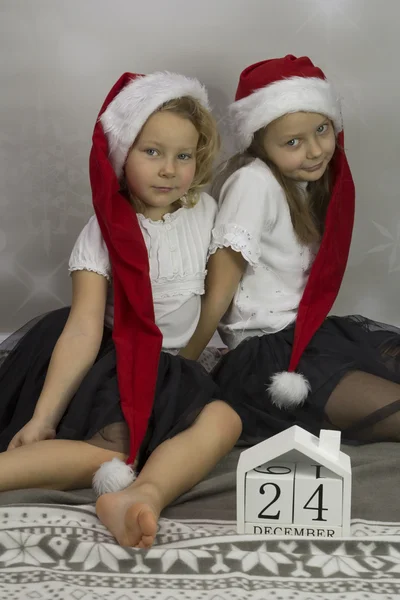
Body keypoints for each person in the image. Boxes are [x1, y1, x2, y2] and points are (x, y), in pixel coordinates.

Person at [0, 71, 242, 547]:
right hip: (109, 357)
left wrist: (186, 365)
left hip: (171, 361)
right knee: (115, 448)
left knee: (225, 421)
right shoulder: (102, 230)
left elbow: (217, 296)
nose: (169, 169)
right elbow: (82, 329)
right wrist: (43, 417)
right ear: (121, 154)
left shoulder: (206, 214)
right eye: (152, 152)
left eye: (183, 156)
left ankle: (142, 495)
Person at [181, 55, 400, 445]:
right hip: (268, 355)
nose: (315, 151)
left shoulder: (307, 181)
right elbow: (217, 291)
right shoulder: (253, 183)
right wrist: (180, 373)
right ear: (260, 143)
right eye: (293, 142)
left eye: (322, 130)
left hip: (312, 335)